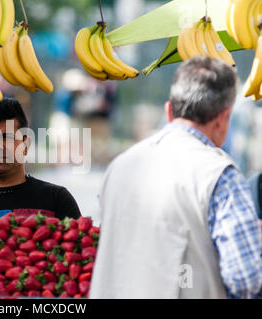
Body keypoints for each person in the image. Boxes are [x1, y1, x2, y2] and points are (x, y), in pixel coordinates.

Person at [90, 56, 262, 299]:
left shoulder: (119, 166)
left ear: (169, 110)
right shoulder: (220, 175)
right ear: (224, 118)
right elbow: (244, 279)